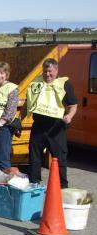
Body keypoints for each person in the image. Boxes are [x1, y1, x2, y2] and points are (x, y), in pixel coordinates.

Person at [26, 58, 77, 188]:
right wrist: (19, 121)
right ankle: (34, 184)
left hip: (56, 127)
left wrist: (69, 116)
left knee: (59, 158)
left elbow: (73, 105)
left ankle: (62, 186)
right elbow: (28, 102)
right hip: (38, 126)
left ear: (56, 70)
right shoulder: (36, 83)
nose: (47, 74)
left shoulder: (65, 84)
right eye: (44, 72)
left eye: (50, 71)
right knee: (34, 157)